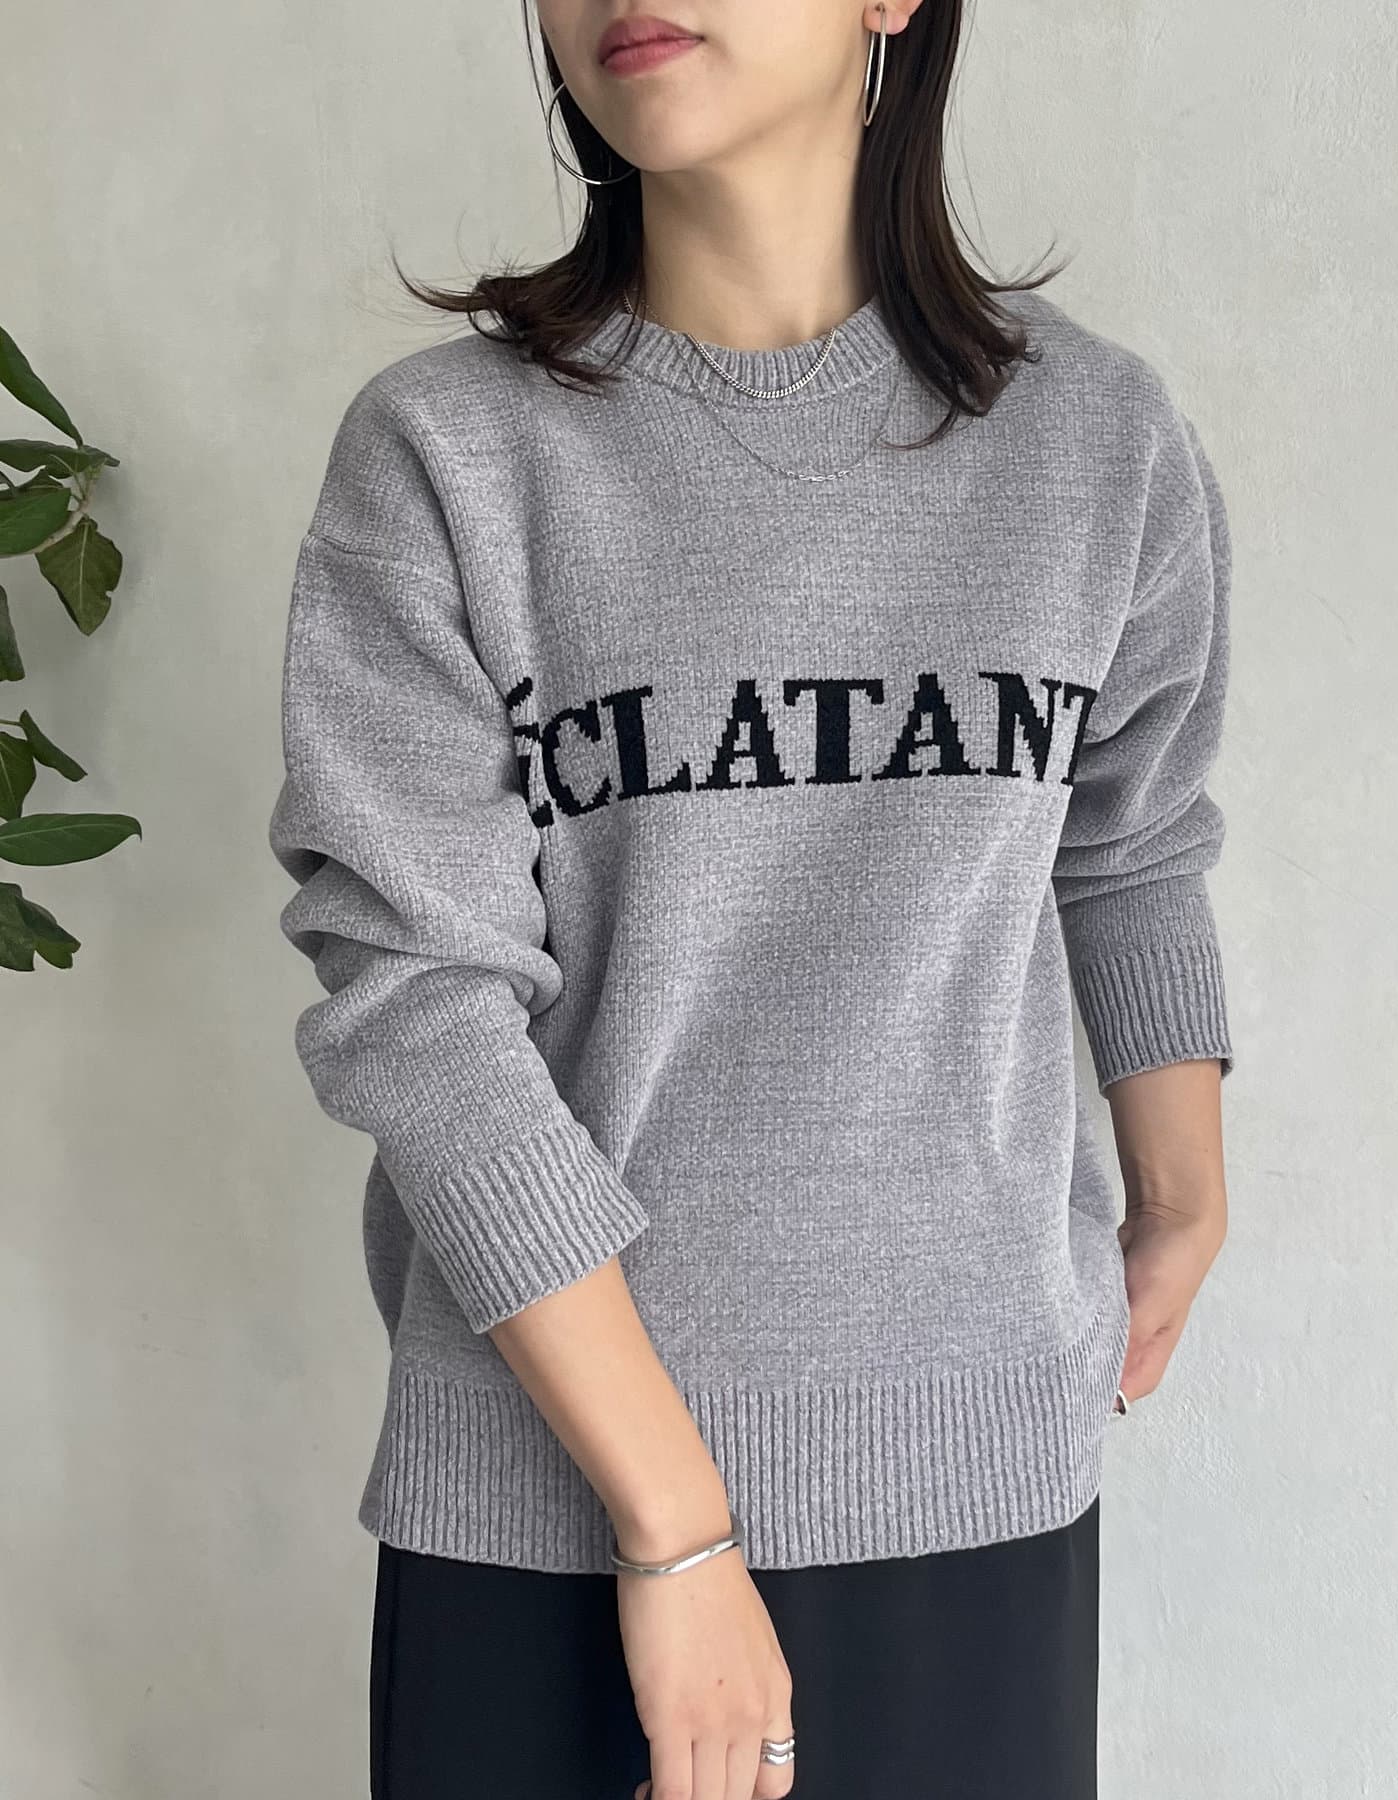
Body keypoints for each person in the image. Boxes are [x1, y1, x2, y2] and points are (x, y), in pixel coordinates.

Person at [266, 1, 1237, 1795]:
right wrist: (679, 1534)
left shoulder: (1098, 440)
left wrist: (1184, 1189)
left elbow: (1132, 838)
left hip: (973, 1480)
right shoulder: (445, 454)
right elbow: (418, 1007)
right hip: (552, 1506)